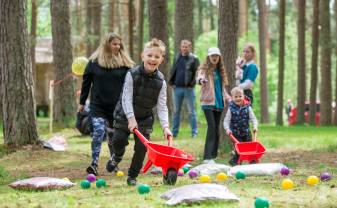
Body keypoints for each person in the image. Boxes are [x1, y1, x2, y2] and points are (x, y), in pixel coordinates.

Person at [106, 38, 172, 186]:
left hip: (144, 118)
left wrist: (165, 126)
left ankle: (132, 176)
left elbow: (162, 106)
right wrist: (130, 118)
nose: (152, 59)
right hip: (124, 115)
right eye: (150, 55)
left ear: (161, 60)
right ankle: (116, 157)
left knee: (142, 148)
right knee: (118, 141)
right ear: (143, 56)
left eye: (157, 56)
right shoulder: (132, 74)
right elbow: (126, 98)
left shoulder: (161, 82)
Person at [79, 33, 134, 176]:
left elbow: (131, 86)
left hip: (117, 107)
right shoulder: (94, 62)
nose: (117, 46)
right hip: (98, 105)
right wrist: (82, 102)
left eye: (119, 44)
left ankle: (113, 162)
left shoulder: (125, 64)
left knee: (113, 137)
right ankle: (94, 164)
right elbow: (86, 83)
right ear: (106, 45)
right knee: (98, 132)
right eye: (114, 44)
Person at [196, 47, 231, 164]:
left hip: (219, 104)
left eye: (216, 56)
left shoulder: (220, 71)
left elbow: (222, 90)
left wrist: (229, 99)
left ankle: (213, 156)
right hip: (208, 103)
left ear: (219, 57)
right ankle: (207, 157)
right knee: (211, 128)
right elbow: (199, 77)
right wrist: (201, 80)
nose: (214, 58)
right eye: (212, 56)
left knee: (216, 129)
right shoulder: (204, 69)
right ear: (209, 57)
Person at [169, 39, 200, 138]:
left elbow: (197, 73)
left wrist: (192, 84)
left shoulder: (194, 59)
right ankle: (174, 132)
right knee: (176, 111)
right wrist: (172, 82)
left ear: (189, 47)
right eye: (183, 46)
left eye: (186, 46)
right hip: (177, 88)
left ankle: (194, 132)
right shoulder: (177, 57)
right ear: (180, 47)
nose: (184, 48)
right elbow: (174, 69)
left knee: (191, 111)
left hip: (189, 89)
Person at [223, 87, 258, 166]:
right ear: (232, 98)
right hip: (235, 134)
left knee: (250, 148)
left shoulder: (248, 108)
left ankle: (253, 162)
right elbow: (226, 121)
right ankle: (235, 163)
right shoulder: (231, 109)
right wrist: (227, 129)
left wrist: (255, 126)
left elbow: (253, 118)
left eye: (240, 96)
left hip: (246, 132)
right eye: (236, 97)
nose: (238, 98)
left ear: (243, 96)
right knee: (239, 150)